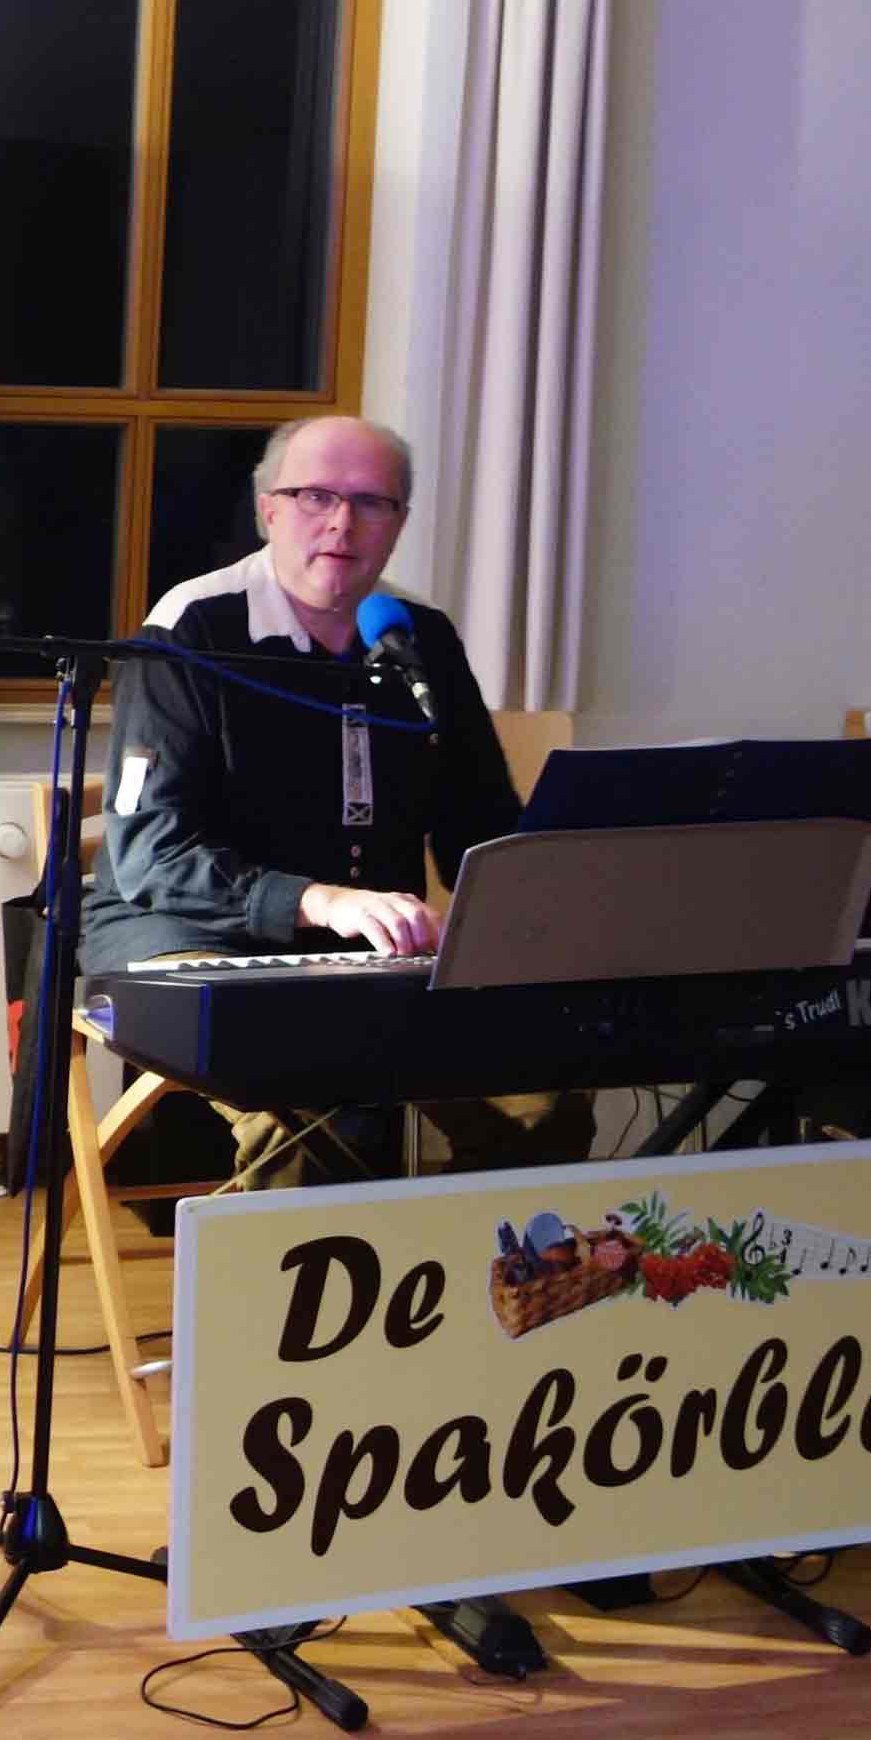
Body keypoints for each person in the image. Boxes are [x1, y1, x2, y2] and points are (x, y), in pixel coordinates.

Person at [79, 415, 592, 1191]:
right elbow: (153, 854)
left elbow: (479, 820)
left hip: (365, 949)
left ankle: (458, 1266)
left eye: (371, 502)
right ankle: (276, 1275)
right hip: (184, 934)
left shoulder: (418, 637)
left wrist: (530, 912)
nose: (342, 523)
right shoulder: (188, 630)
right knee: (297, 1105)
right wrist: (321, 900)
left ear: (400, 522)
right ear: (267, 510)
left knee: (544, 1102)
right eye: (315, 496)